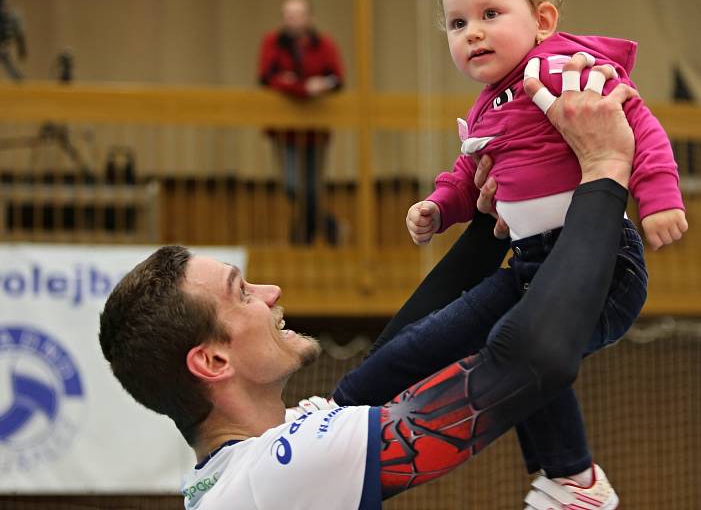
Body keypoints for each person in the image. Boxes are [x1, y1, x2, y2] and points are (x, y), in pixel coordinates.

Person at [99, 71, 639, 509]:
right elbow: (528, 363)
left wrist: (485, 220)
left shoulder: (267, 455)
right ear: (213, 361)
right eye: (242, 294)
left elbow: (402, 354)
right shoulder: (276, 474)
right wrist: (604, 171)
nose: (270, 292)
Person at [347, 0, 688, 509]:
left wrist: (660, 196)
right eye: (457, 25)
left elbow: (637, 125)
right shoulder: (487, 103)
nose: (472, 32)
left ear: (544, 21)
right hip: (531, 264)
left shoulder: (556, 69)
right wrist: (439, 205)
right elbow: (467, 171)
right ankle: (350, 413)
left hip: (602, 267)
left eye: (490, 14)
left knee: (514, 347)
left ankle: (571, 479)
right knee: (444, 344)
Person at [257, 0, 344, 245]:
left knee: (313, 187)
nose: (291, 20)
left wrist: (293, 83)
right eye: (287, 15)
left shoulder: (324, 44)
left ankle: (301, 240)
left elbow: (337, 79)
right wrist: (304, 88)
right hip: (285, 130)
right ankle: (329, 227)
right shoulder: (273, 42)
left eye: (297, 15)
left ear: (309, 18)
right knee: (293, 186)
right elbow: (266, 77)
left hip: (315, 129)